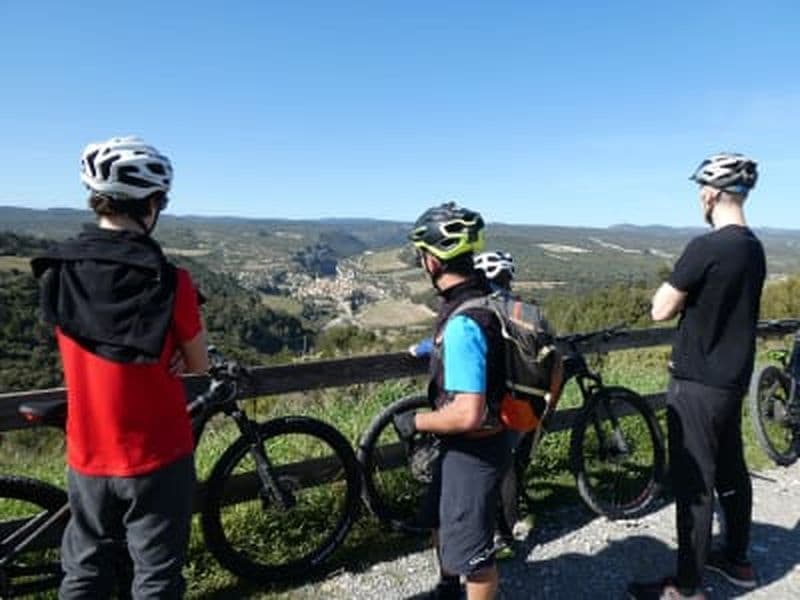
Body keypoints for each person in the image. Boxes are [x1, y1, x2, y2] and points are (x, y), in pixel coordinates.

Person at [31, 136, 209, 599]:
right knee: (156, 575)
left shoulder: (58, 271)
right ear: (150, 204)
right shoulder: (171, 283)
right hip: (157, 453)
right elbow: (198, 364)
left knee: (84, 571)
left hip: (87, 450)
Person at [628, 153, 764, 600]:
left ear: (711, 193)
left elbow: (660, 307)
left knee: (694, 483)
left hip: (696, 383)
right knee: (731, 470)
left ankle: (687, 587)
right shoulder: (753, 247)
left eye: (700, 190)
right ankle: (737, 560)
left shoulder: (706, 247)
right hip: (732, 381)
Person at [393, 202, 513, 600]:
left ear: (431, 261)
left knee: (475, 554)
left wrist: (417, 422)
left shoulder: (464, 322)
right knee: (444, 519)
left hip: (473, 449)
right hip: (492, 439)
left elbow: (466, 412)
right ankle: (447, 588)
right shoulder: (491, 302)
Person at [410, 250, 532, 560]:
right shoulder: (511, 310)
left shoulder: (469, 318)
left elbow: (467, 413)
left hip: (477, 436)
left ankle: (493, 537)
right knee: (506, 470)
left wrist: (416, 421)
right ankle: (503, 531)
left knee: (474, 546)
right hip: (512, 415)